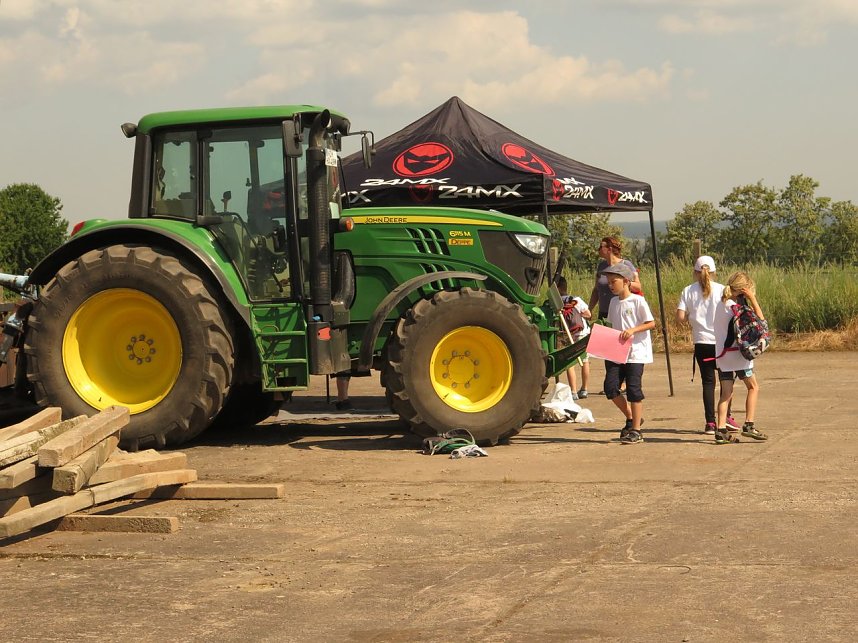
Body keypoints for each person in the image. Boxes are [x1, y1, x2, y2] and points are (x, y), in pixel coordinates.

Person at [675, 256, 739, 434]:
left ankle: (710, 422)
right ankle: (725, 417)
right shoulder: (722, 290)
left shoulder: (688, 290)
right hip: (721, 342)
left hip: (701, 342)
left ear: (695, 272)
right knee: (726, 380)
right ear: (714, 272)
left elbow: (680, 317)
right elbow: (734, 311)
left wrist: (690, 318)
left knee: (708, 382)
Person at [601, 263, 655, 444]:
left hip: (635, 353)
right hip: (616, 351)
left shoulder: (638, 301)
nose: (610, 285)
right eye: (608, 282)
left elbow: (650, 323)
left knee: (633, 389)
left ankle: (637, 431)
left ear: (625, 281)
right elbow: (611, 325)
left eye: (613, 281)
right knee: (610, 387)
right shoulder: (613, 302)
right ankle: (632, 417)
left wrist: (633, 330)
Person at [713, 271, 768, 444]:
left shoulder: (720, 305)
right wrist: (753, 299)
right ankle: (749, 425)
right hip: (739, 355)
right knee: (753, 387)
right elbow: (761, 323)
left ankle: (720, 430)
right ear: (744, 290)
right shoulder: (738, 308)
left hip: (722, 356)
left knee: (726, 394)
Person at [588, 236, 642, 320]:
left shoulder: (626, 265)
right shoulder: (601, 266)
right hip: (603, 313)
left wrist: (624, 283)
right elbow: (596, 290)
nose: (598, 249)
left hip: (621, 312)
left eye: (601, 246)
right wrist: (590, 309)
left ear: (609, 249)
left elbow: (638, 287)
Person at [555, 276, 592, 399]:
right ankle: (584, 389)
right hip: (582, 333)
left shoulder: (555, 302)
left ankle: (573, 391)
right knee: (585, 360)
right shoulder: (575, 300)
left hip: (566, 334)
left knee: (570, 362)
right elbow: (588, 314)